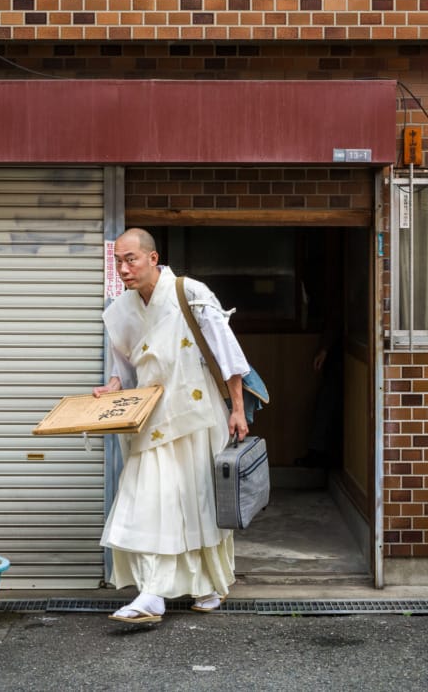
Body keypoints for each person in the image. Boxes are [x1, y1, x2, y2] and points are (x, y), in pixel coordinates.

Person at [93, 228, 249, 624]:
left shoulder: (189, 292)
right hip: (150, 419)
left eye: (131, 259)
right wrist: (111, 388)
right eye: (118, 261)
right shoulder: (122, 309)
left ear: (152, 257)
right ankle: (153, 593)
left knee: (198, 502)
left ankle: (209, 584)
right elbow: (124, 368)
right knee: (149, 501)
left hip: (197, 415)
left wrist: (237, 409)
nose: (124, 268)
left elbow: (227, 353)